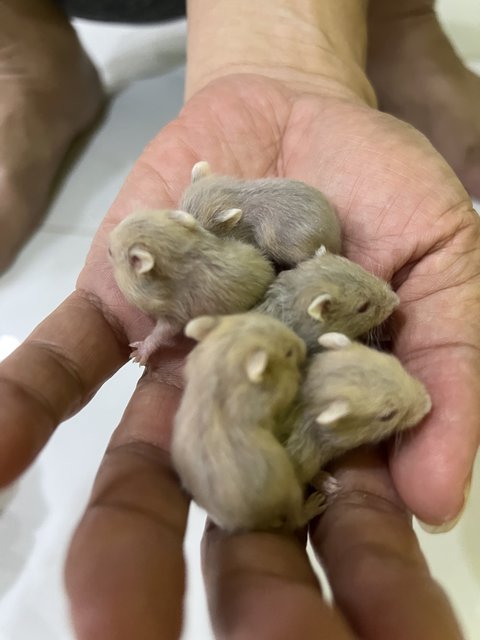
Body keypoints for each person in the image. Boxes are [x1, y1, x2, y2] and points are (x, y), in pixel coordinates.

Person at [0, 0, 478, 637]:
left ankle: (392, 20)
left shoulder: (261, 308)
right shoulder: (255, 327)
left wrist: (294, 59)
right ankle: (24, 45)